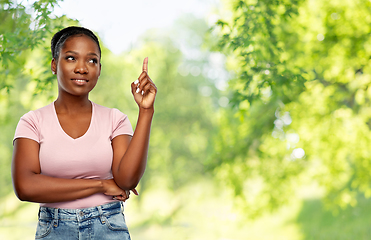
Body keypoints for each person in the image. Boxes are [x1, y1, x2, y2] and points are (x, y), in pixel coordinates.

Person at [11, 26, 157, 239]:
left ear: (99, 68)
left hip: (108, 226)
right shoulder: (32, 122)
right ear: (54, 65)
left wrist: (146, 110)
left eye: (92, 60)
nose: (82, 68)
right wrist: (100, 184)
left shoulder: (115, 119)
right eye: (71, 58)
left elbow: (126, 181)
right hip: (54, 229)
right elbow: (25, 187)